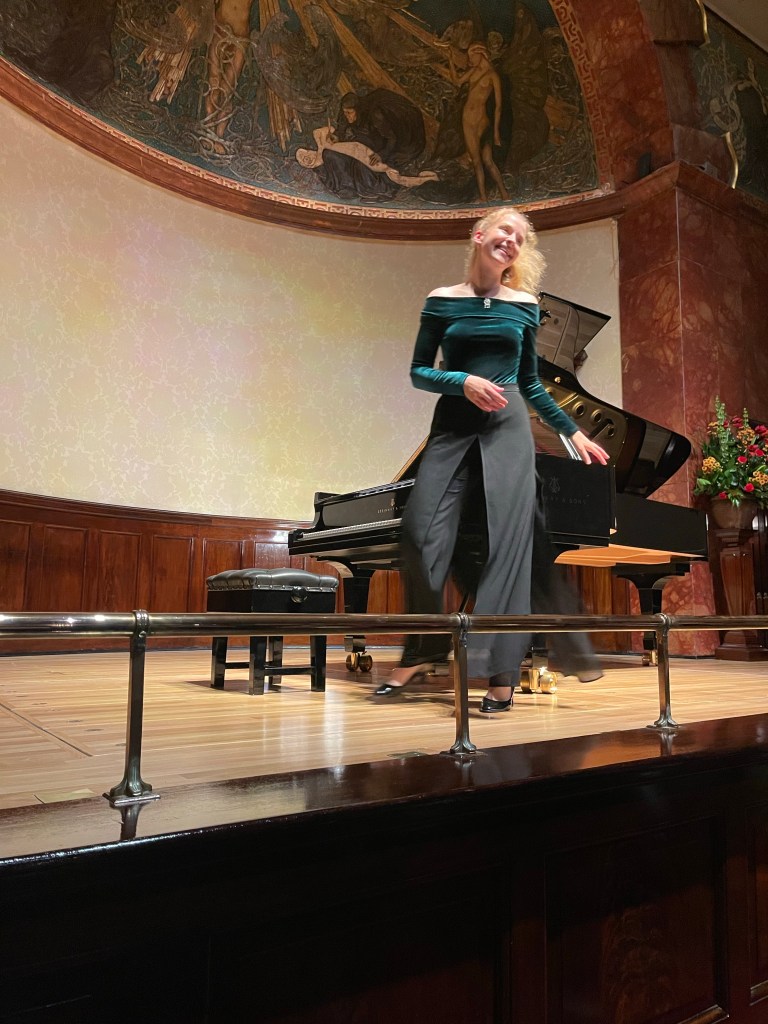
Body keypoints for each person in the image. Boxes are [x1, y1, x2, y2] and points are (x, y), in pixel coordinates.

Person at [373, 206, 609, 712]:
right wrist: (461, 381)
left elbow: (529, 383)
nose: (512, 240)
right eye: (506, 230)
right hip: (452, 429)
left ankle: (501, 675)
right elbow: (418, 371)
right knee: (418, 533)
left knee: (508, 548)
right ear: (479, 234)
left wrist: (572, 431)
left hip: (508, 430)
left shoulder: (523, 306)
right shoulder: (441, 300)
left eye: (520, 238)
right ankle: (424, 649)